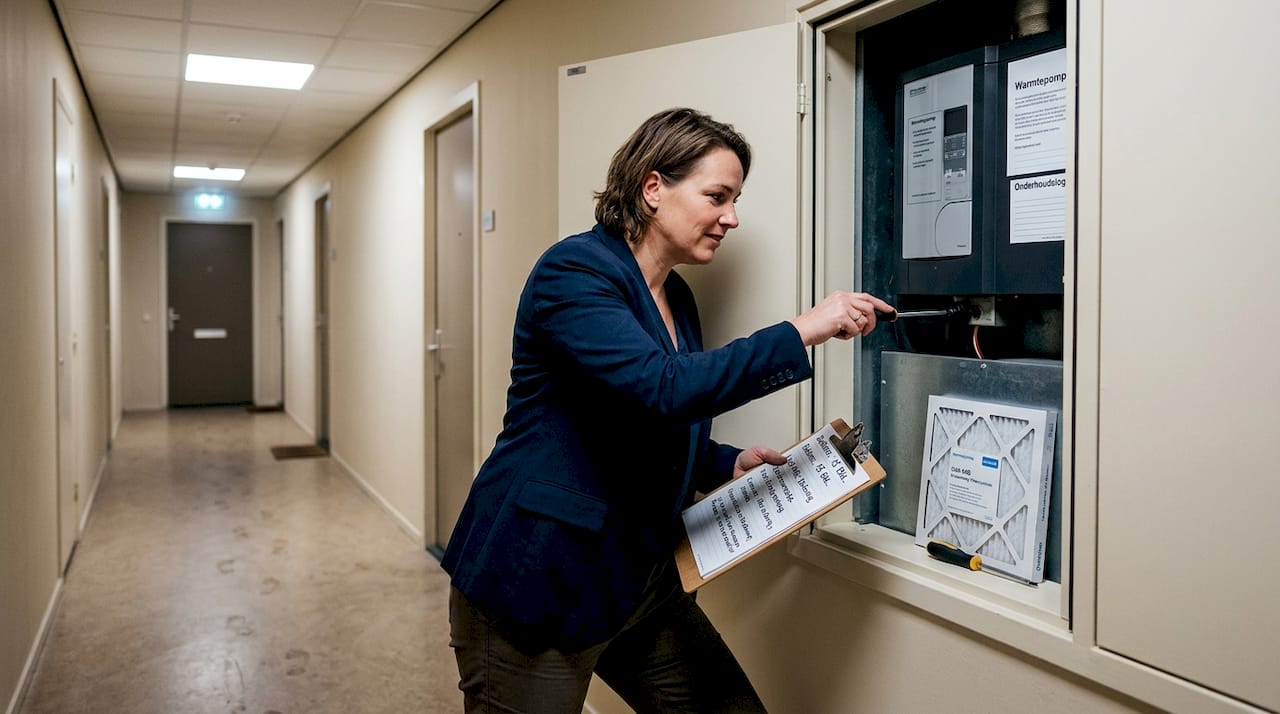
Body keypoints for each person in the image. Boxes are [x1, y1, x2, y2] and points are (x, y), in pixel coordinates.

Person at [442, 107, 893, 713]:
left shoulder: (675, 293)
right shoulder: (573, 272)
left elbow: (641, 418)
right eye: (717, 196)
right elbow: (662, 386)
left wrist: (723, 462)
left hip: (640, 579)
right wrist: (803, 329)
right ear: (653, 188)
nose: (731, 217)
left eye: (735, 200)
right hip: (539, 577)